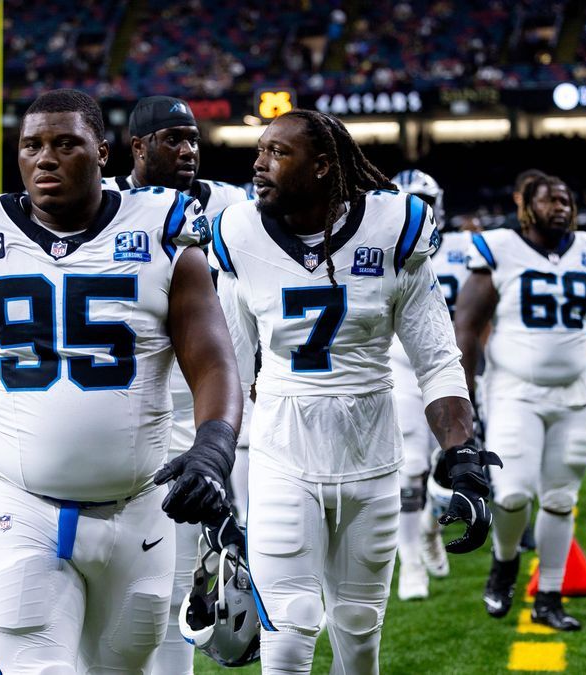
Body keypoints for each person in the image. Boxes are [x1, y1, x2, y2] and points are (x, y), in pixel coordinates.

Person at [0, 89, 243, 673]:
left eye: (66, 144)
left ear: (103, 154)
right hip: (19, 506)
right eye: (32, 145)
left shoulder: (162, 225)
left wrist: (212, 448)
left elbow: (213, 358)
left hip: (139, 510)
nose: (46, 158)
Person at [215, 110, 494, 673]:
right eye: (259, 149)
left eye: (277, 152)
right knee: (288, 629)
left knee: (360, 631)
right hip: (282, 453)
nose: (258, 162)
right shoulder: (238, 231)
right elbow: (230, 366)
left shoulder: (394, 228)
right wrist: (211, 457)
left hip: (371, 456)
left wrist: (462, 453)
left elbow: (437, 360)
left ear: (323, 166)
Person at [454, 174, 586, 631]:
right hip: (514, 391)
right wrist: (464, 397)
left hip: (575, 394)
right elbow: (466, 327)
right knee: (513, 492)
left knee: (561, 499)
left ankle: (550, 596)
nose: (561, 206)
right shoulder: (499, 247)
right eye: (550, 199)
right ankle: (504, 563)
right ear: (526, 206)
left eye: (567, 199)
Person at [103, 94, 252, 675]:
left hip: (217, 416)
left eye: (193, 138)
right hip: (135, 410)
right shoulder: (106, 205)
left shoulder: (233, 207)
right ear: (138, 147)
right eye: (173, 139)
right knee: (135, 584)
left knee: (180, 587)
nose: (189, 149)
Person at [387, 169, 467, 600]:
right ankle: (412, 562)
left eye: (425, 200)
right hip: (401, 369)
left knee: (454, 469)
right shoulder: (385, 251)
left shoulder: (466, 250)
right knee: (409, 472)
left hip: (453, 368)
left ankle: (432, 529)